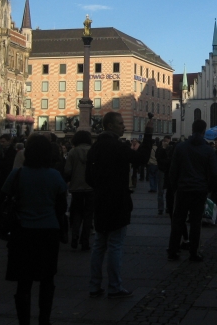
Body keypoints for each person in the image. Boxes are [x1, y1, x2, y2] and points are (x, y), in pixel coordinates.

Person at [2, 134, 68, 325]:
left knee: (24, 282)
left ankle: (23, 320)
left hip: (22, 231)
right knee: (47, 280)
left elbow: (5, 195)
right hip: (48, 232)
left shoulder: (18, 174)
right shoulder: (54, 175)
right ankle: (44, 319)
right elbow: (62, 206)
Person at [86, 112, 153, 298]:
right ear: (109, 125)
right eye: (120, 123)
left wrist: (100, 188)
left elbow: (88, 177)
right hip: (117, 201)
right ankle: (114, 286)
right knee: (115, 244)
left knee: (99, 244)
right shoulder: (117, 146)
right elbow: (141, 158)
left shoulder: (96, 147)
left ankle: (94, 285)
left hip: (100, 200)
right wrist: (148, 134)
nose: (124, 126)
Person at [167, 119, 217, 262]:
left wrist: (175, 187)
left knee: (178, 220)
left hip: (183, 188)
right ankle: (194, 252)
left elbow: (173, 171)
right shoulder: (208, 149)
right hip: (200, 189)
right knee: (196, 222)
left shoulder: (181, 147)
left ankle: (173, 250)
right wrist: (208, 188)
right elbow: (215, 173)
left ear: (192, 129)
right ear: (204, 131)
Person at [64, 130, 93, 251]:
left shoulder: (72, 152)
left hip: (76, 187)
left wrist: (70, 179)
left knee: (76, 213)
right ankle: (85, 240)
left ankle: (75, 236)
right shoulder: (93, 151)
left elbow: (67, 171)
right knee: (88, 215)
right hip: (91, 187)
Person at [155, 135, 173, 215]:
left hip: (168, 171)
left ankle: (168, 207)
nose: (166, 142)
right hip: (162, 170)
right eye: (165, 141)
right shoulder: (160, 148)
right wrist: (163, 149)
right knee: (161, 191)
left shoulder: (172, 148)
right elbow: (158, 158)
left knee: (169, 190)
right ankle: (161, 208)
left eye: (167, 141)